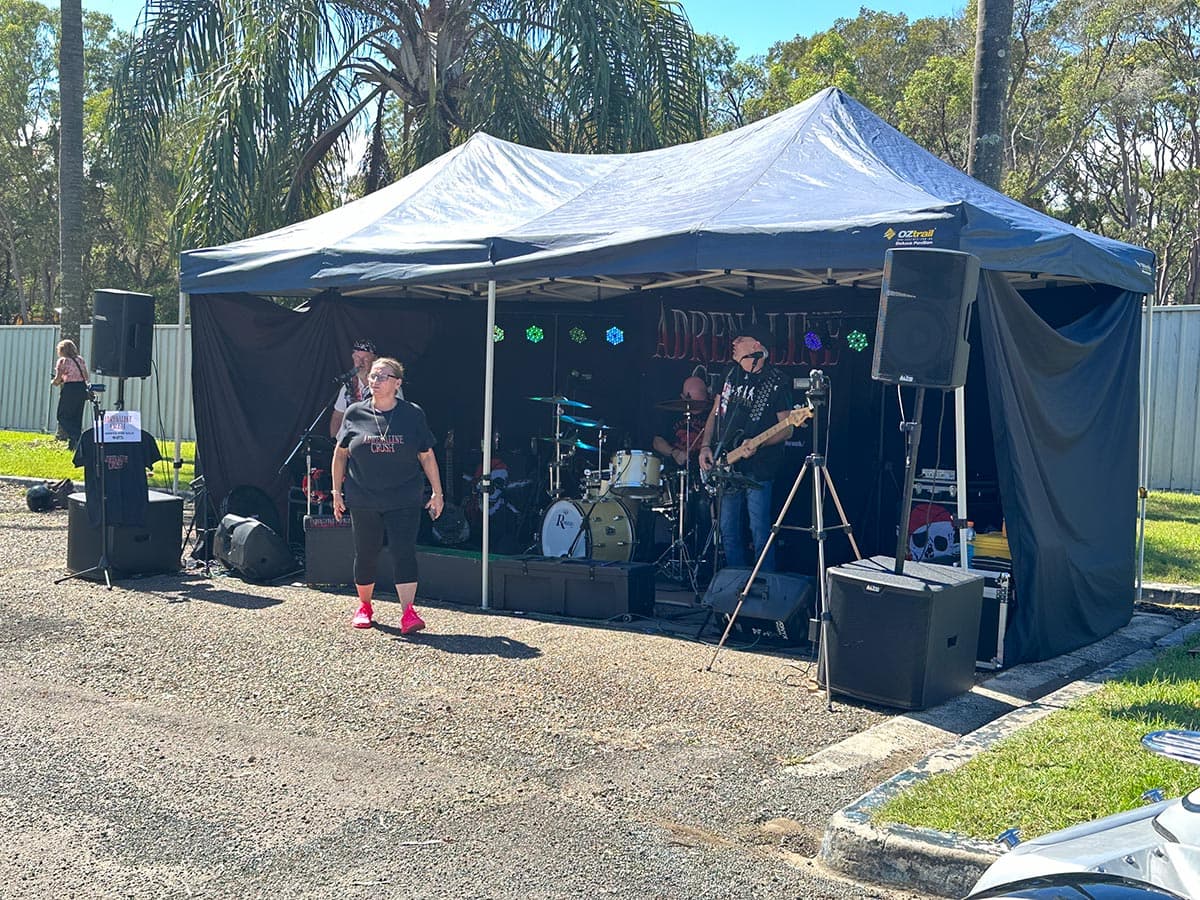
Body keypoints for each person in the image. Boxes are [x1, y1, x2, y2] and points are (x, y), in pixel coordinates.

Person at [331, 357, 444, 632]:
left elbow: (427, 456)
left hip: (403, 496)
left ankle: (408, 613)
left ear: (397, 383)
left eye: (382, 376)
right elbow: (341, 453)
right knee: (366, 552)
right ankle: (365, 606)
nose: (375, 381)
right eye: (372, 376)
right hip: (363, 496)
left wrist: (437, 492)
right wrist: (336, 491)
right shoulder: (355, 413)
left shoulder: (412, 414)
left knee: (403, 551)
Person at [698, 324, 794, 571]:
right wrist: (705, 446)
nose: (734, 343)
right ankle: (735, 584)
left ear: (755, 346)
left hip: (759, 467)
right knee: (728, 528)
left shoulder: (777, 381)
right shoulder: (729, 374)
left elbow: (787, 428)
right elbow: (715, 412)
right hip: (726, 461)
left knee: (759, 528)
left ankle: (764, 587)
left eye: (740, 340)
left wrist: (758, 443)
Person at [652, 375, 710, 469]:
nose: (697, 406)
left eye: (701, 402)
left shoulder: (713, 415)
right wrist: (674, 452)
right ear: (683, 397)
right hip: (676, 471)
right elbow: (657, 442)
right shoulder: (671, 413)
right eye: (693, 402)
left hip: (705, 469)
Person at [329, 339, 378, 438]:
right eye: (357, 358)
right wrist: (334, 443)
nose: (360, 363)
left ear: (375, 361)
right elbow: (338, 416)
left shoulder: (387, 385)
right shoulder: (348, 385)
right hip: (350, 445)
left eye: (366, 359)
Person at [51, 339, 89, 450]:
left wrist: (54, 382)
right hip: (81, 388)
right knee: (77, 416)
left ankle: (77, 435)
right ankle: (73, 445)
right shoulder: (80, 360)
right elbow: (85, 376)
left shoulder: (63, 361)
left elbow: (57, 380)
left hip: (70, 389)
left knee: (62, 416)